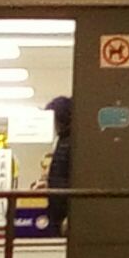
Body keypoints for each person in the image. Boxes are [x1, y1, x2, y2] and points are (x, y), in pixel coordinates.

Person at [45, 96, 72, 235]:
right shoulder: (66, 140)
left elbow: (63, 176)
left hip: (63, 210)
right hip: (61, 208)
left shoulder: (69, 142)